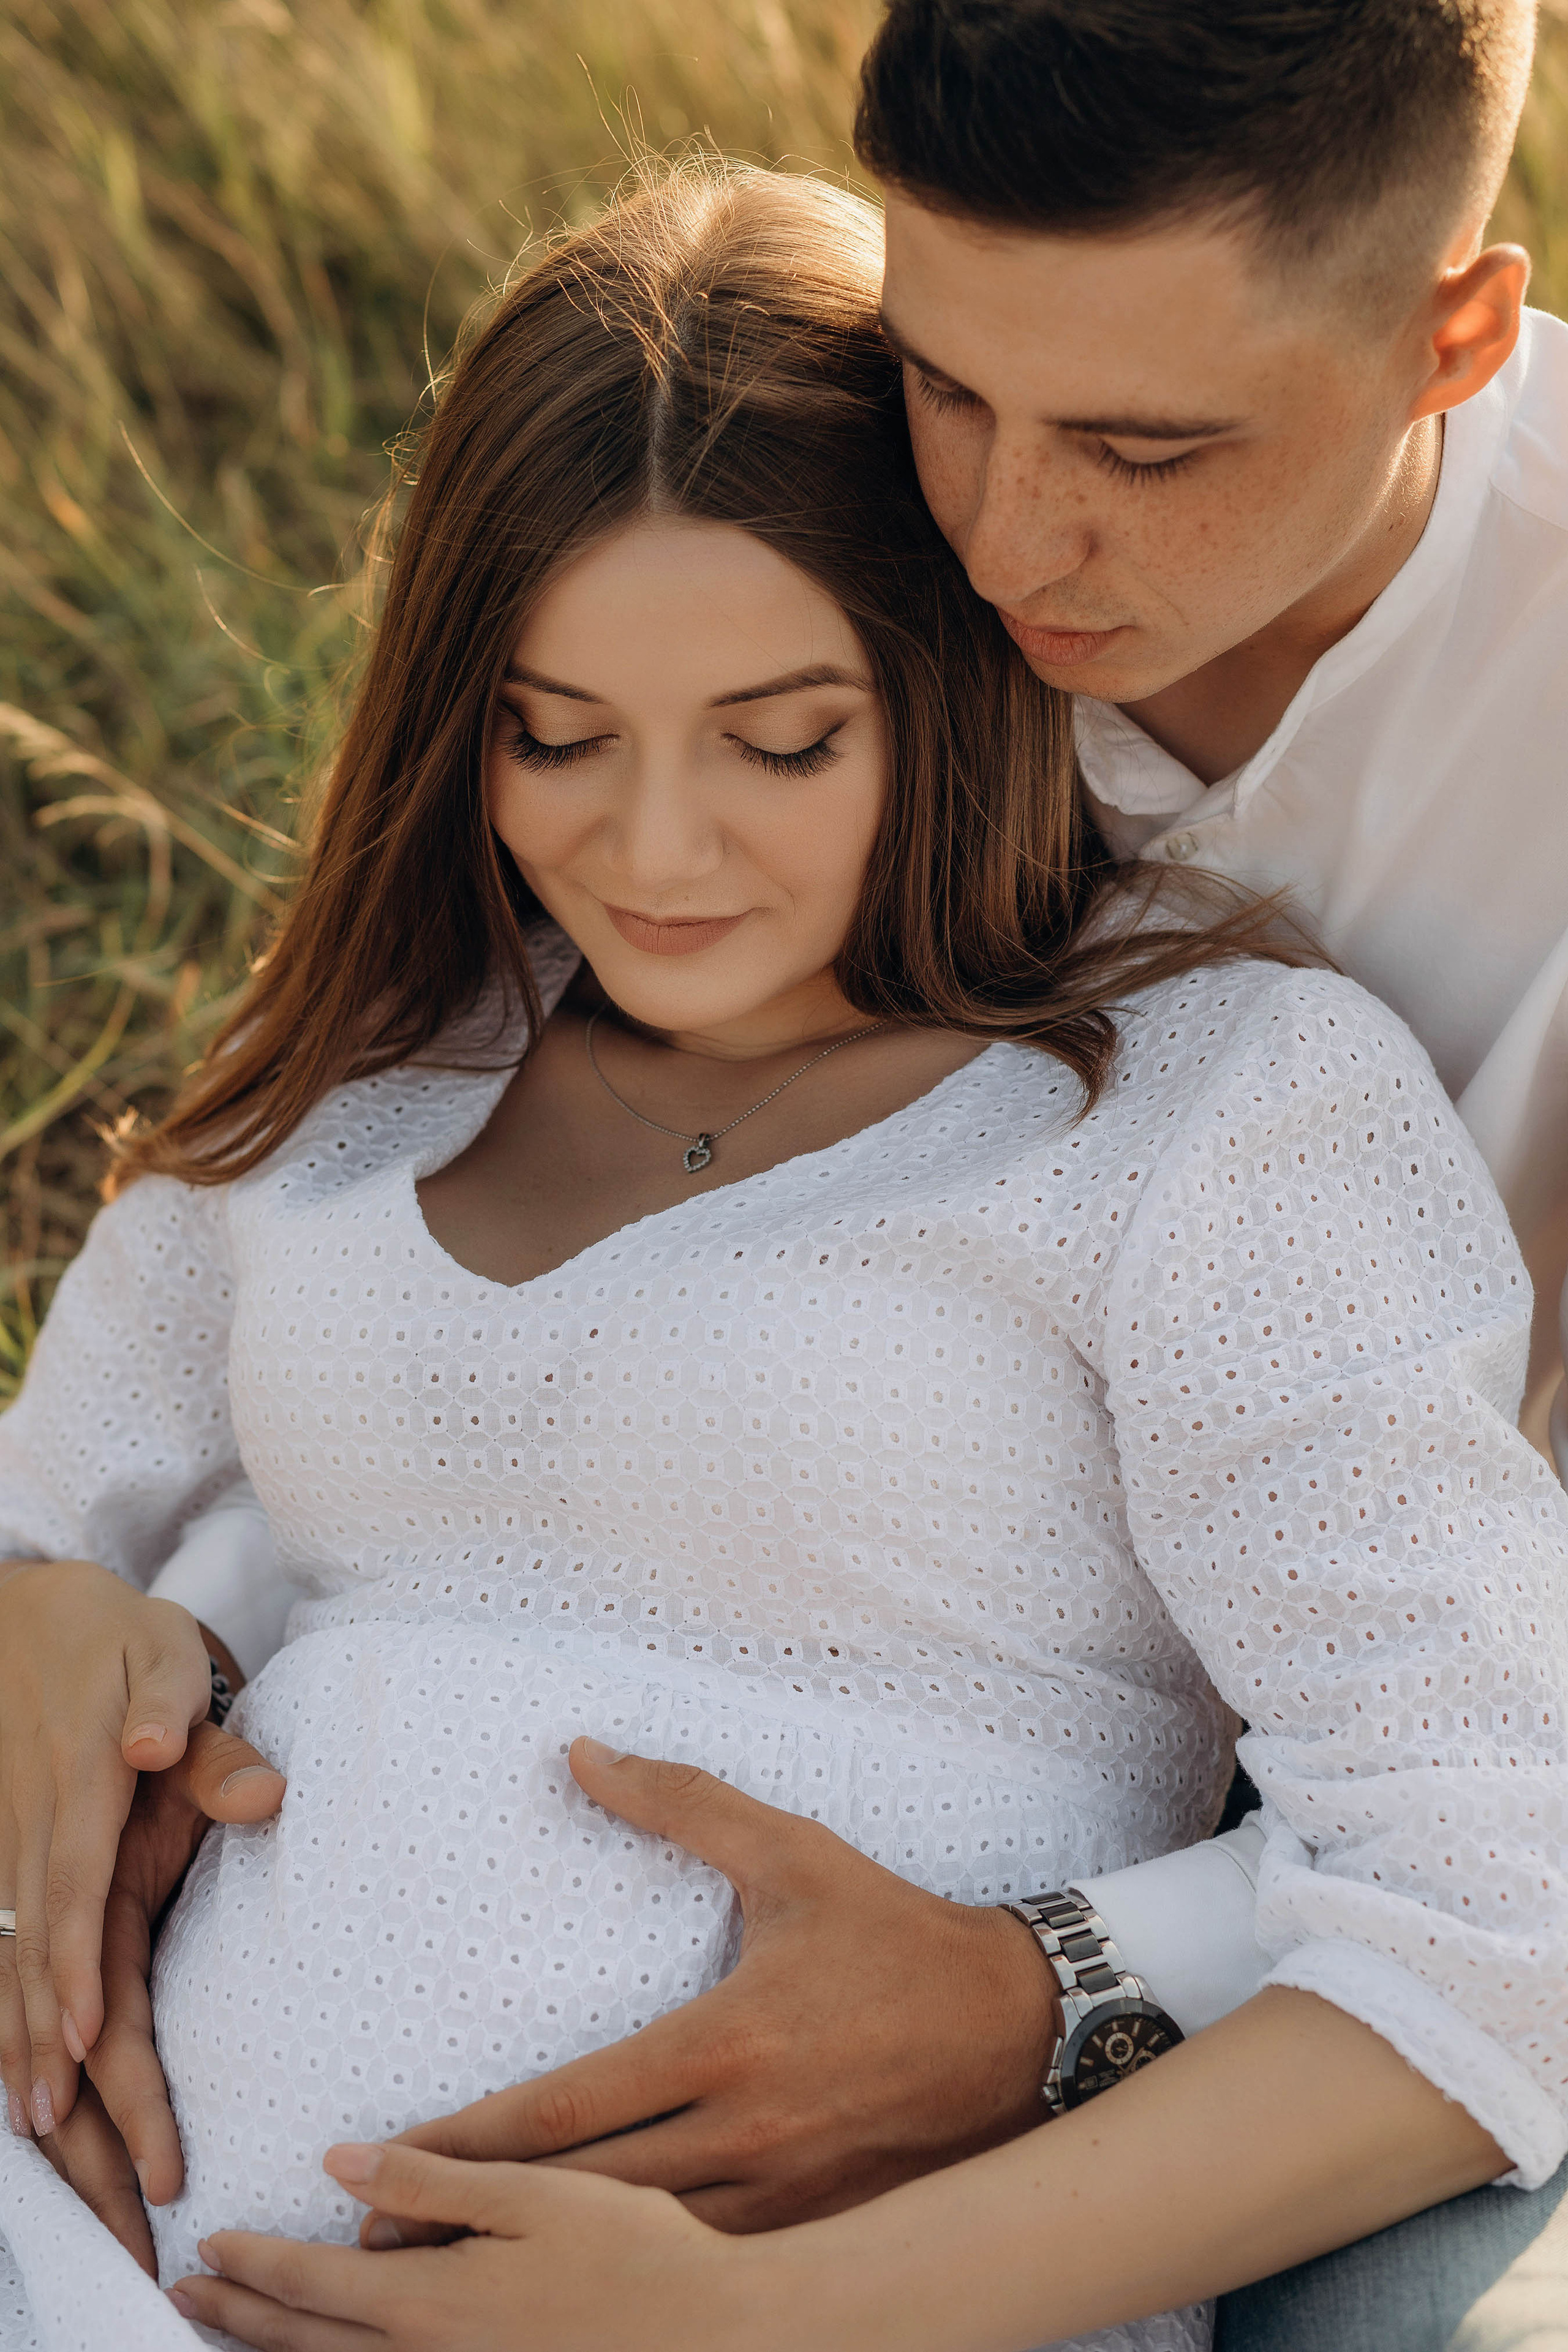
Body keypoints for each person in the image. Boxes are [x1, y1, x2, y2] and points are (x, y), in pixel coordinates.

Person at [4, 0, 1567, 2339]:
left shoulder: (1236, 1087)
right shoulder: (476, 976)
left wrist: (1051, 1996)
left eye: (1146, 446)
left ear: (1458, 333)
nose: (1013, 547)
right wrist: (80, 1614)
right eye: (941, 389)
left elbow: (1505, 1871)